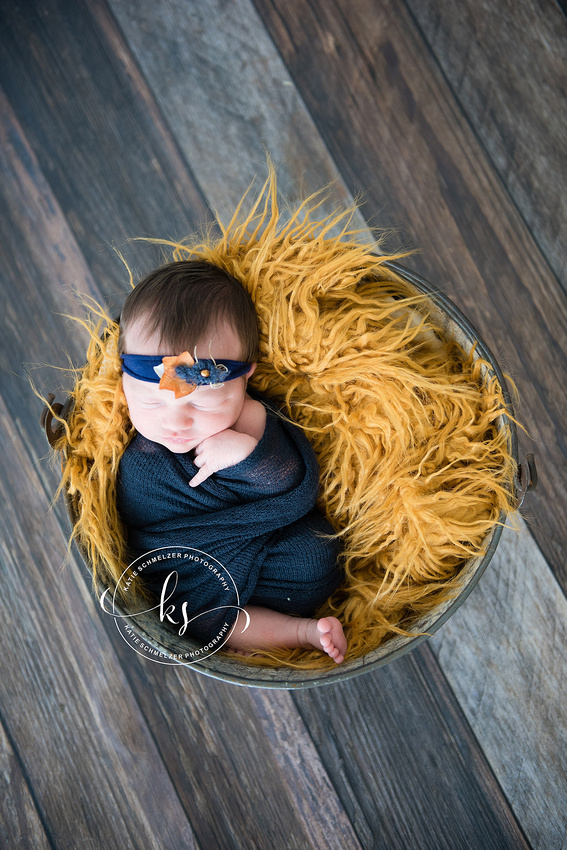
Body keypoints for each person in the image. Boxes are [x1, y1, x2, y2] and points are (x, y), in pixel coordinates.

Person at [115, 259, 347, 663]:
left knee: (317, 555)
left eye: (205, 403)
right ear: (123, 383)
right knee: (198, 620)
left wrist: (244, 456)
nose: (176, 422)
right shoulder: (144, 458)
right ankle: (301, 631)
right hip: (179, 569)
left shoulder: (250, 419)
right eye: (151, 401)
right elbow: (136, 518)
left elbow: (289, 485)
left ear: (245, 379)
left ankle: (305, 625)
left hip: (269, 557)